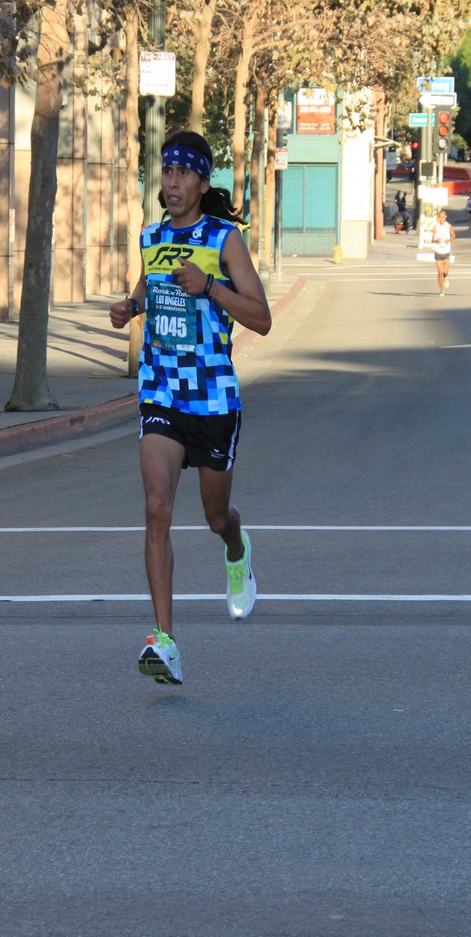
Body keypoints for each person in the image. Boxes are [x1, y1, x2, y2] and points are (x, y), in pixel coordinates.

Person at [108, 130, 272, 686]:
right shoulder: (152, 237)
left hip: (212, 396)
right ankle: (165, 641)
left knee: (214, 517)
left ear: (203, 183)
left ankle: (236, 548)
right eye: (167, 171)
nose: (172, 181)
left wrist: (210, 288)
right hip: (161, 391)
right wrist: (129, 306)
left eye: (183, 172)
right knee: (157, 508)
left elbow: (261, 318)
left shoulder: (225, 240)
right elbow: (147, 288)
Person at [428, 208, 455, 296]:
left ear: (445, 217)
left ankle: (446, 277)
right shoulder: (436, 227)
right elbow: (432, 240)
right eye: (440, 217)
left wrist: (449, 240)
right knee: (440, 272)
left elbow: (453, 235)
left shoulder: (448, 226)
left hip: (446, 251)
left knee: (445, 272)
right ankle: (441, 290)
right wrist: (437, 240)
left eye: (443, 217)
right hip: (438, 251)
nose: (441, 219)